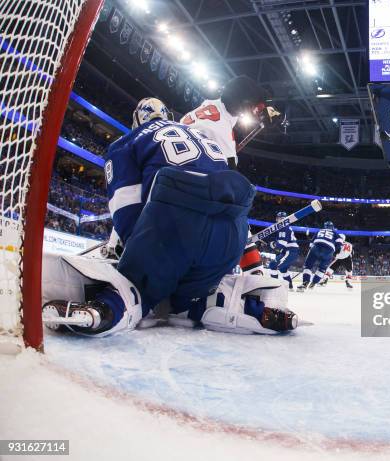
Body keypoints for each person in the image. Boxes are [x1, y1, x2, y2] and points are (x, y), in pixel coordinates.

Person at [43, 97, 296, 335]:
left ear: (136, 120)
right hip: (233, 230)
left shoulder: (127, 141)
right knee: (185, 301)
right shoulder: (202, 137)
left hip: (175, 220)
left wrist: (136, 263)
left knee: (137, 287)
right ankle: (232, 306)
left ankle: (107, 309)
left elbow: (126, 211)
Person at [180, 75, 280, 276]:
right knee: (235, 209)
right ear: (241, 103)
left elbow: (249, 98)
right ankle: (254, 274)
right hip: (186, 196)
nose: (254, 112)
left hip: (168, 182)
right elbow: (231, 181)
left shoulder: (208, 107)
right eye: (253, 108)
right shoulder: (220, 130)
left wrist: (263, 113)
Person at [297, 221, 344, 292]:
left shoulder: (320, 231)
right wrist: (333, 250)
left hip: (316, 247)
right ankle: (313, 283)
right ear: (332, 227)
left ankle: (305, 283)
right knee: (322, 269)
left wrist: (311, 252)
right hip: (329, 250)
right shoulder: (335, 233)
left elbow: (311, 243)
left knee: (308, 266)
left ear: (324, 226)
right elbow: (340, 243)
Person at [267, 211, 300, 290]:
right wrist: (274, 245)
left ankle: (274, 286)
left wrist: (273, 245)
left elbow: (281, 243)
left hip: (290, 250)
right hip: (288, 250)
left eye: (280, 218)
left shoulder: (283, 227)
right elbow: (282, 244)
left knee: (274, 265)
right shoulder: (284, 227)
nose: (279, 220)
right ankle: (289, 286)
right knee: (282, 269)